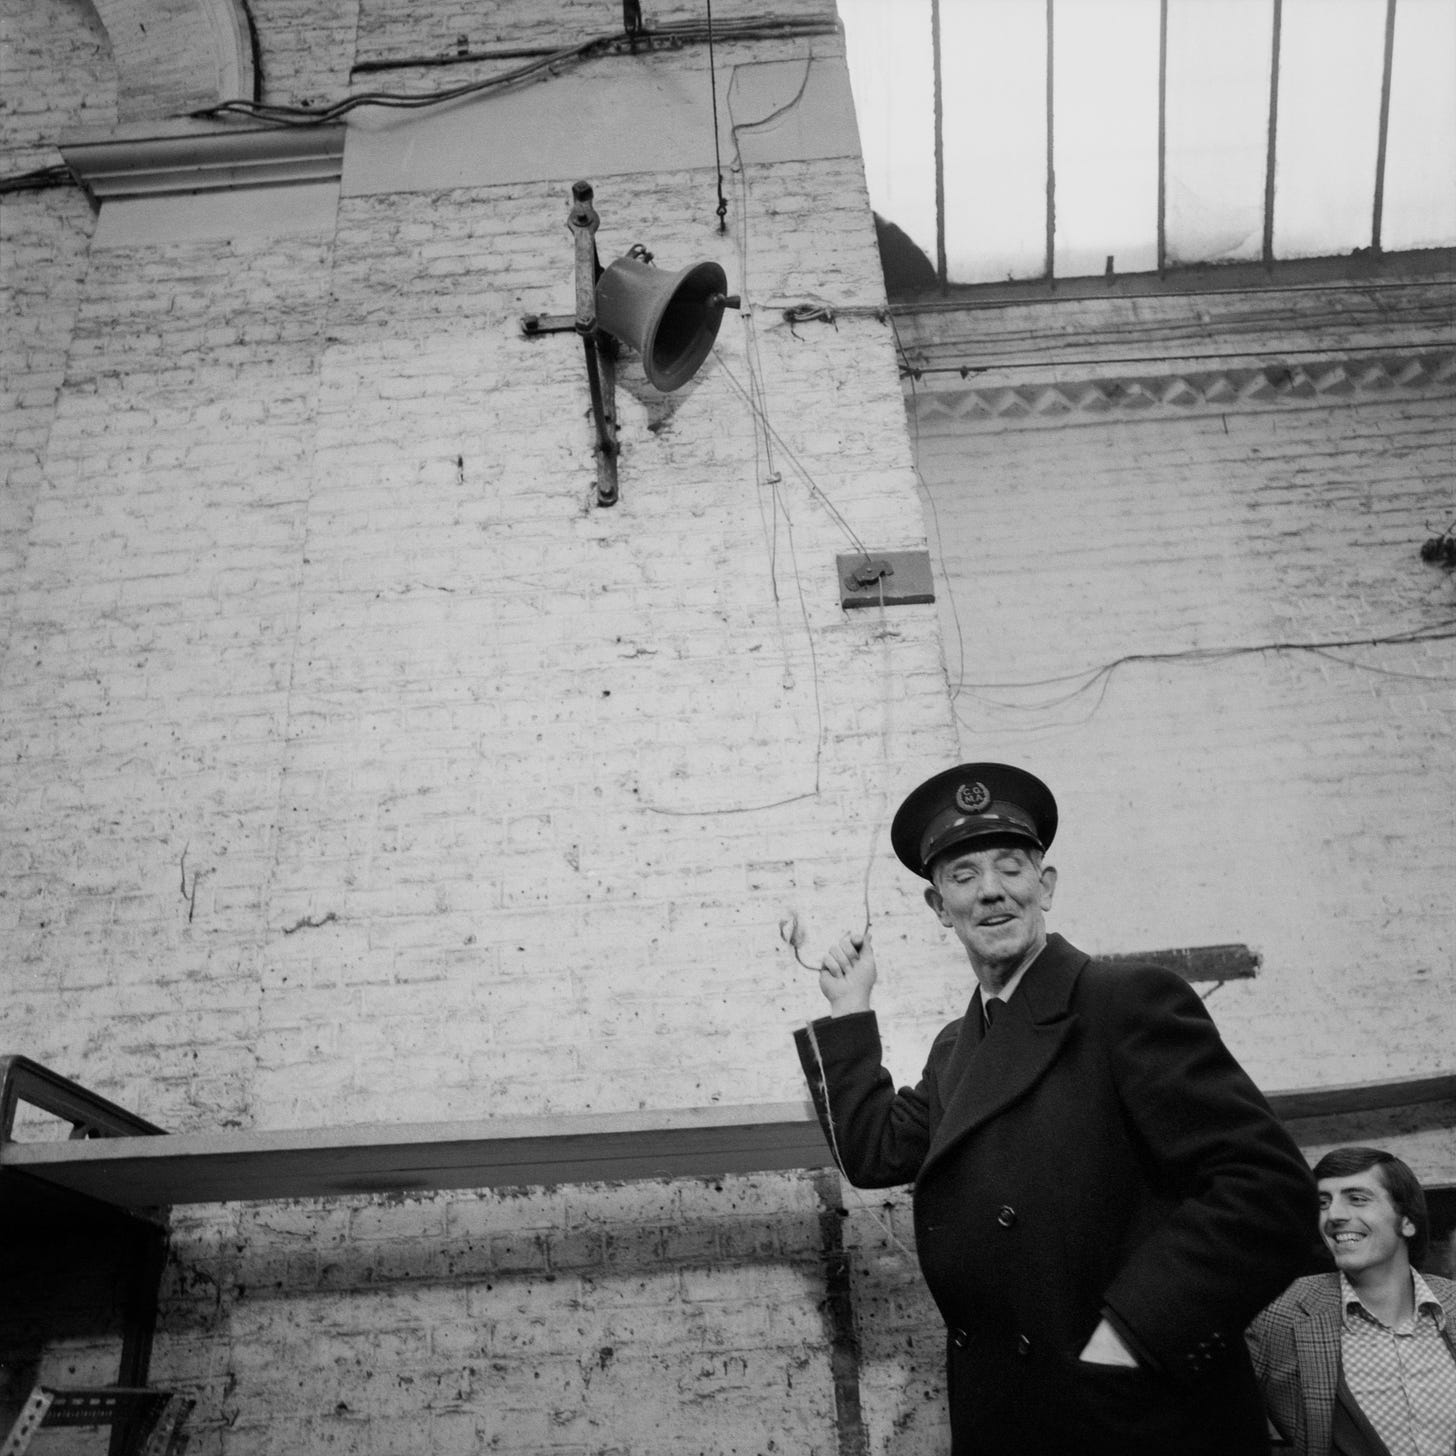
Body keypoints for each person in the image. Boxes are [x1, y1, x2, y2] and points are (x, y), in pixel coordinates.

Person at [793, 762, 1318, 1456]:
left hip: (1136, 1417)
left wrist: (1132, 1336)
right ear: (935, 906)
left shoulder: (1123, 1001)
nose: (990, 893)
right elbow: (875, 1152)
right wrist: (850, 1007)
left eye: (1010, 868)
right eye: (962, 876)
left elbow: (1267, 1190)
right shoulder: (959, 1047)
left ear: (1046, 887)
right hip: (1015, 1419)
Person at [1246, 1147, 1456, 1456]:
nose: (1335, 1216)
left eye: (1357, 1198)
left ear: (1407, 1221)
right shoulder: (1278, 1314)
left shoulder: (1452, 1301)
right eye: (1323, 1203)